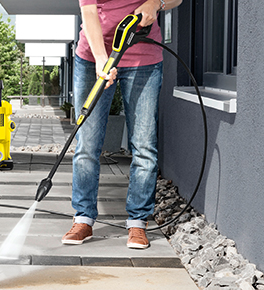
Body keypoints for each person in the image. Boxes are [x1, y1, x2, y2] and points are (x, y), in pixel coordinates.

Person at [61, 0, 182, 249]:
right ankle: (83, 218)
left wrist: (156, 3)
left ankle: (138, 222)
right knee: (87, 144)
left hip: (144, 59)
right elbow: (88, 11)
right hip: (93, 57)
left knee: (144, 145)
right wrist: (101, 59)